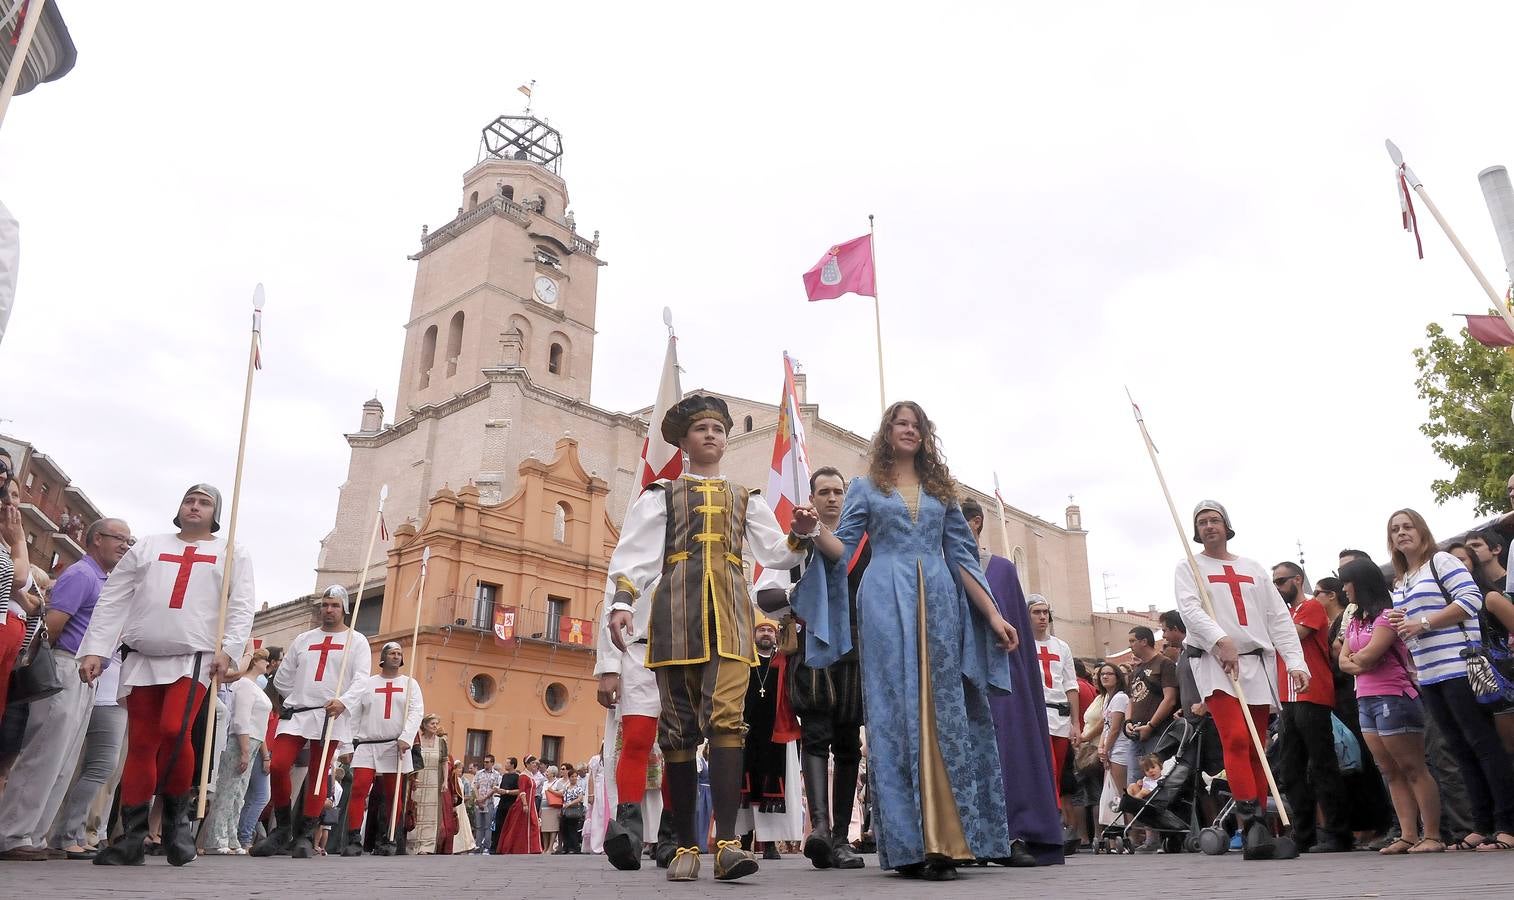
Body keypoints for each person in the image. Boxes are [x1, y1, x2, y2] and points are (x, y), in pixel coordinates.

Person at [801, 400, 1018, 881]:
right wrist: (816, 530)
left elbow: (963, 557)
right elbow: (843, 548)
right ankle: (909, 845)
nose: (909, 430)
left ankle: (949, 840)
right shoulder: (865, 487)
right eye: (901, 423)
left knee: (943, 712)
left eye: (917, 425)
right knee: (896, 712)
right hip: (882, 599)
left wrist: (994, 615)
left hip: (939, 600)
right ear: (887, 431)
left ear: (926, 435)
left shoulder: (942, 489)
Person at [603, 394, 813, 882]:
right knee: (676, 733)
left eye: (718, 428)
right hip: (674, 622)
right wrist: (620, 604)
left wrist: (800, 534)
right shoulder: (660, 496)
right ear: (684, 441)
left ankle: (727, 846)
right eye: (701, 429)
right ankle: (683, 847)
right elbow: (632, 557)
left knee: (726, 723)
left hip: (732, 622)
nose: (711, 435)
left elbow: (777, 553)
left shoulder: (747, 498)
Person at [75, 484, 255, 867]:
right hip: (142, 655)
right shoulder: (150, 545)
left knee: (175, 731)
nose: (194, 506)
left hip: (194, 655)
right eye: (189, 500)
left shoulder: (232, 551)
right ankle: (132, 836)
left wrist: (230, 649)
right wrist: (96, 648)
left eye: (204, 502)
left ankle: (177, 823)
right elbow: (115, 595)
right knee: (141, 743)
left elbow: (241, 604)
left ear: (216, 512)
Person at [1173, 500, 1307, 861]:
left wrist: (1296, 662)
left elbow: (1278, 617)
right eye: (1201, 522)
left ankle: (1264, 823)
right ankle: (1251, 824)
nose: (1208, 526)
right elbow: (1190, 610)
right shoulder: (1190, 567)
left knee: (1255, 747)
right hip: (1217, 664)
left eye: (1214, 520)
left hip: (1255, 663)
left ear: (1227, 525)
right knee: (1234, 737)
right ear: (1196, 530)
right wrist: (1221, 640)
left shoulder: (1253, 568)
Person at [753, 466, 868, 870]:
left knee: (849, 741)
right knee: (816, 736)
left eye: (839, 491)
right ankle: (820, 829)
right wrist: (800, 596)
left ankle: (841, 840)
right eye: (824, 492)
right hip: (812, 647)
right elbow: (763, 595)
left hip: (855, 650)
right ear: (813, 498)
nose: (833, 498)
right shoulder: (797, 543)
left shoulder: (864, 544)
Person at [0, 517, 129, 862]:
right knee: (44, 754)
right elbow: (53, 626)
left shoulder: (102, 580)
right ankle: (12, 834)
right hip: (66, 665)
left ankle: (36, 834)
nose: (125, 546)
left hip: (84, 671)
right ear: (97, 539)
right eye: (120, 539)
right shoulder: (82, 575)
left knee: (63, 761)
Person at [1385, 509, 1514, 851]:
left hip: (1460, 665)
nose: (1402, 533)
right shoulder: (1401, 581)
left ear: (1422, 530)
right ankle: (1481, 824)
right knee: (1459, 749)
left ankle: (1506, 824)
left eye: (1408, 526)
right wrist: (1405, 623)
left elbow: (1471, 600)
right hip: (1429, 673)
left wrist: (1423, 622)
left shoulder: (1440, 562)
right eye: (1395, 529)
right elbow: (1412, 629)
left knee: (1483, 744)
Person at [254, 584, 369, 858]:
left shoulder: (357, 641)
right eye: (326, 604)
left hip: (331, 714)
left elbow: (362, 679)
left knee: (318, 775)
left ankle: (305, 835)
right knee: (279, 765)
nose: (329, 610)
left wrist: (343, 701)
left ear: (345, 609)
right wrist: (299, 694)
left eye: (335, 605)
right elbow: (282, 678)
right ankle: (282, 829)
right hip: (299, 712)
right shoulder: (304, 639)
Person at [1337, 558, 1444, 854]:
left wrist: (1356, 661)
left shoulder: (1388, 616)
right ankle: (1408, 833)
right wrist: (1355, 661)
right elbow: (1343, 661)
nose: (1344, 588)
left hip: (1394, 696)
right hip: (1366, 698)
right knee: (1389, 769)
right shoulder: (1357, 620)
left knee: (1412, 766)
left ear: (1361, 583)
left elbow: (1366, 657)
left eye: (1348, 582)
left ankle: (1432, 834)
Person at [1270, 561, 1350, 853]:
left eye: (1281, 581)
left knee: (1322, 765)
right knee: (1291, 769)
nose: (1277, 587)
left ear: (1298, 580)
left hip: (1312, 692)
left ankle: (1338, 833)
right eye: (1274, 582)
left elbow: (1288, 637)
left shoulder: (1311, 607)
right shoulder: (1284, 613)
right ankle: (1305, 834)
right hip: (1289, 696)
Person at [1313, 574, 1392, 845]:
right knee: (1352, 764)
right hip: (1342, 696)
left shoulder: (1346, 619)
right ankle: (1364, 822)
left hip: (1354, 692)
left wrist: (1346, 657)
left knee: (1369, 763)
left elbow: (1345, 657)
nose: (1315, 598)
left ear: (1332, 595)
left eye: (1318, 593)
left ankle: (1379, 823)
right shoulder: (1332, 624)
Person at [341, 641, 423, 856]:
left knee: (392, 794)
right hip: (368, 744)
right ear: (383, 658)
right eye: (392, 653)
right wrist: (347, 744)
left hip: (395, 745)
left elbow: (416, 712)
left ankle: (390, 839)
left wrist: (406, 737)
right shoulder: (367, 684)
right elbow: (354, 715)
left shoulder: (410, 684)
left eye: (399, 653)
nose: (396, 656)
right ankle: (353, 839)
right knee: (358, 789)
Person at [734, 615, 801, 860]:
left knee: (772, 786)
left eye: (769, 630)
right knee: (745, 786)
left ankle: (770, 843)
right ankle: (744, 838)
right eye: (761, 629)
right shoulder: (744, 659)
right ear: (754, 634)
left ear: (775, 636)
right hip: (748, 731)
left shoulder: (783, 660)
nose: (765, 634)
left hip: (776, 730)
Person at [206, 648, 273, 853]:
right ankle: (216, 838)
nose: (267, 664)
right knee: (227, 790)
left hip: (254, 740)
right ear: (256, 662)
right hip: (242, 740)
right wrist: (244, 749)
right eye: (264, 660)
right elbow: (241, 719)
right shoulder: (243, 685)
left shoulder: (253, 687)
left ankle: (231, 836)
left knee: (239, 793)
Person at [1027, 595, 1080, 830]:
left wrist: (1075, 723)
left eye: (1045, 612)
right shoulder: (1024, 644)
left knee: (1058, 773)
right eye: (1036, 612)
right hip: (1036, 716)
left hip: (1060, 716)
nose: (1042, 617)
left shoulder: (1061, 647)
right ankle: (1051, 816)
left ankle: (1054, 824)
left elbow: (1071, 685)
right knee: (1047, 769)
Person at [1462, 529, 1514, 753]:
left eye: (1474, 546)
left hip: (1505, 678)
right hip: (1480, 684)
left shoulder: (1492, 596)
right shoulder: (1458, 605)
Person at [0, 450, 31, 725]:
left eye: (14, 494)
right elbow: (18, 578)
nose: (9, 502)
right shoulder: (14, 538)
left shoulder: (9, 535)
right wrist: (19, 541)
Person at [1123, 626, 1178, 782]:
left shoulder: (1164, 664)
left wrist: (1151, 726)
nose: (1130, 645)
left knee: (1156, 782)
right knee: (1134, 782)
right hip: (1136, 735)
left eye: (1132, 641)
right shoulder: (1137, 669)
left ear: (1144, 641)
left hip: (1157, 734)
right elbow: (1132, 699)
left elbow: (1170, 699)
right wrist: (1128, 722)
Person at [1093, 663, 1133, 830]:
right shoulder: (1107, 699)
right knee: (1113, 795)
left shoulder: (1120, 697)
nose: (1105, 677)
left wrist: (1106, 750)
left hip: (1120, 749)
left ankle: (1133, 832)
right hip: (1110, 749)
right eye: (1102, 674)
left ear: (1118, 678)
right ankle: (1118, 828)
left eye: (1109, 673)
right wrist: (1101, 749)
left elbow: (1116, 728)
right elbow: (1106, 727)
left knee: (1123, 793)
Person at [410, 713, 456, 853]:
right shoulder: (417, 740)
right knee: (416, 810)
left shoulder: (441, 742)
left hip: (433, 781)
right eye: (432, 724)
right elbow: (412, 761)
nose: (435, 726)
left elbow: (443, 762)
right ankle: (412, 844)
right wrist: (412, 778)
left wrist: (445, 782)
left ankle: (427, 846)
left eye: (437, 723)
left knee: (431, 813)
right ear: (424, 725)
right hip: (419, 780)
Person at [496, 754, 541, 854]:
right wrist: (525, 804)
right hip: (524, 803)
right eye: (533, 763)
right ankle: (521, 847)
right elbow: (522, 791)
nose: (535, 765)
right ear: (527, 764)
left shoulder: (530, 776)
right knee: (521, 826)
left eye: (535, 763)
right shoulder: (523, 776)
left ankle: (533, 848)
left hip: (531, 803)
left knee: (533, 824)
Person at [474, 754, 502, 853]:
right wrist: (478, 799)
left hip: (489, 802)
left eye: (487, 762)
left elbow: (494, 788)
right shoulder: (479, 773)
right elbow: (475, 786)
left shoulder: (496, 775)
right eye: (484, 762)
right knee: (478, 825)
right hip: (479, 802)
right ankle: (478, 845)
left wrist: (484, 798)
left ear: (492, 763)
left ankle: (486, 846)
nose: (485, 764)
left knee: (487, 825)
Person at [560, 765, 587, 853]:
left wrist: (570, 803)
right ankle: (566, 847)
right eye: (572, 776)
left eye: (575, 776)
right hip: (566, 810)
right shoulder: (567, 788)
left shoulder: (578, 788)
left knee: (573, 829)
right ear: (569, 777)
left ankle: (574, 847)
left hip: (574, 810)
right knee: (564, 829)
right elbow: (563, 798)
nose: (574, 778)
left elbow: (580, 798)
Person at [541, 765, 563, 853]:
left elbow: (561, 793)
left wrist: (551, 791)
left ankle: (550, 847)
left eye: (547, 772)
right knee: (545, 828)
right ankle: (545, 847)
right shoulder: (545, 783)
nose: (546, 773)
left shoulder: (558, 782)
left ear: (553, 773)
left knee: (553, 828)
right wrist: (540, 809)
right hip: (544, 807)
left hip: (553, 807)